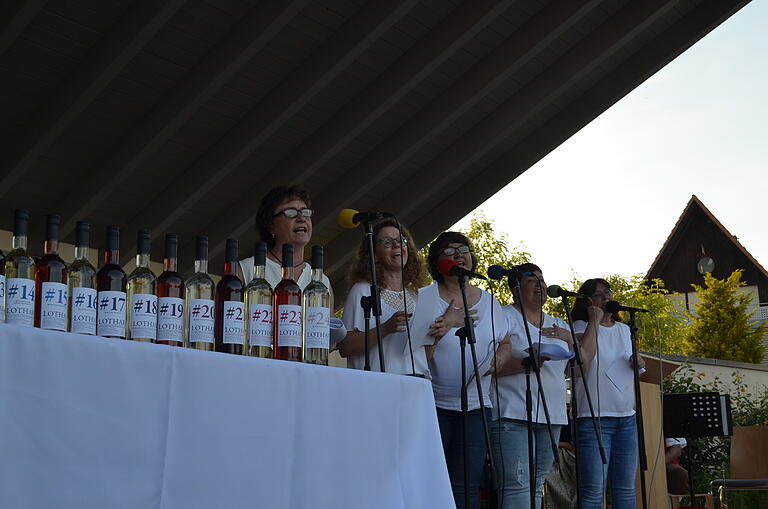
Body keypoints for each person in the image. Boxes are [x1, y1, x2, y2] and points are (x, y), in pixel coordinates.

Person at [411, 231, 508, 509]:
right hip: (434, 406)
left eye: (463, 250)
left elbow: (506, 341)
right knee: (434, 481)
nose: (458, 256)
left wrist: (497, 360)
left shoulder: (489, 300)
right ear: (437, 263)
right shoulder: (424, 297)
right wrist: (445, 326)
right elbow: (415, 355)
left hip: (477, 406)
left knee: (468, 484)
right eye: (449, 251)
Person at [488, 263, 572, 509]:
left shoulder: (559, 324)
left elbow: (574, 369)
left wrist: (571, 341)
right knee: (516, 483)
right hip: (511, 413)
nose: (540, 285)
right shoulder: (503, 316)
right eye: (532, 280)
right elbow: (488, 365)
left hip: (550, 415)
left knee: (537, 485)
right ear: (515, 289)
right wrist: (528, 362)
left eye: (542, 280)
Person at [571, 278, 645, 509]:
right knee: (594, 491)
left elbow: (633, 371)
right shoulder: (579, 328)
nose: (606, 298)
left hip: (626, 417)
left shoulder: (625, 330)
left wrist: (638, 362)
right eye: (599, 294)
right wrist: (595, 322)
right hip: (594, 419)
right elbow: (579, 365)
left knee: (625, 489)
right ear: (586, 302)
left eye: (608, 292)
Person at [337, 219, 428, 375]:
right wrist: (385, 329)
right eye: (387, 242)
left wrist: (436, 335)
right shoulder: (362, 290)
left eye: (401, 240)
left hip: (417, 385)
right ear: (374, 255)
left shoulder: (418, 297)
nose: (397, 245)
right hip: (379, 388)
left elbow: (425, 357)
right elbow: (345, 347)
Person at [238, 185, 332, 301]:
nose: (301, 218)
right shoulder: (246, 270)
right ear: (270, 225)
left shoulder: (323, 282)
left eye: (305, 212)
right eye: (291, 212)